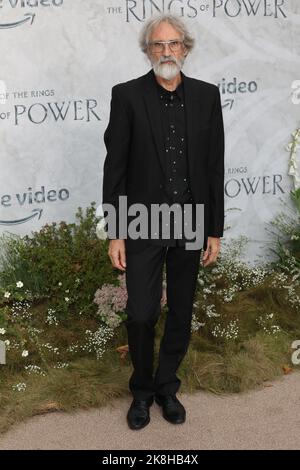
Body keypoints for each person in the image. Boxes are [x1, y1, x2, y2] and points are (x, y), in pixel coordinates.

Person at [102, 13, 225, 430]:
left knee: (181, 313)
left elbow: (213, 168)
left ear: (185, 49)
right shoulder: (127, 96)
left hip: (190, 217)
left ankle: (166, 387)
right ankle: (141, 391)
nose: (166, 51)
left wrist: (214, 229)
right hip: (141, 219)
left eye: (173, 44)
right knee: (140, 313)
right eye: (158, 45)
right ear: (147, 50)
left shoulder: (208, 97)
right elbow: (114, 167)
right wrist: (116, 230)